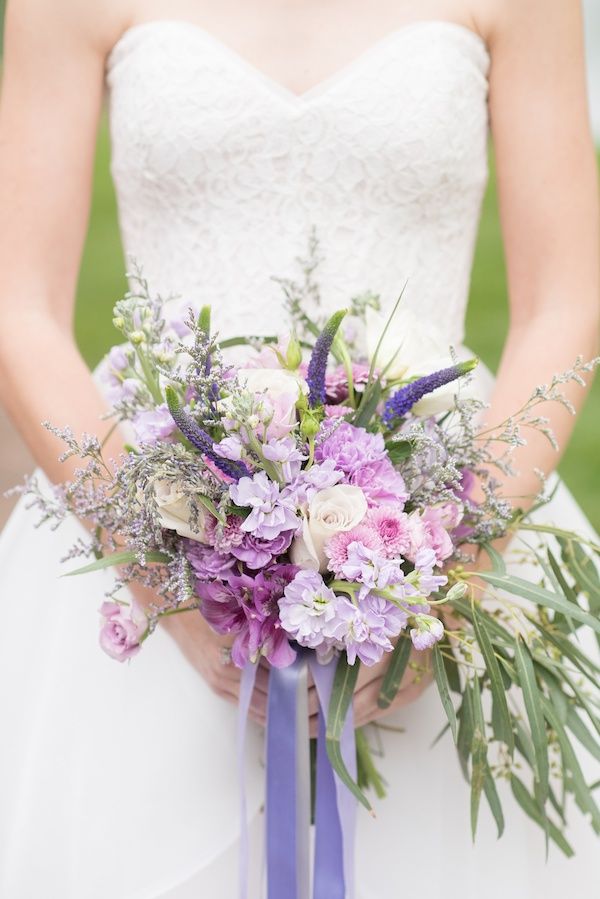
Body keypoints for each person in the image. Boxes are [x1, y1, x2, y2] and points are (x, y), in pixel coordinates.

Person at [0, 1, 598, 896]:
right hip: (140, 509)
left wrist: (446, 580)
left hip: (445, 512)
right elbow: (20, 302)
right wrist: (162, 580)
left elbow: (564, 296)